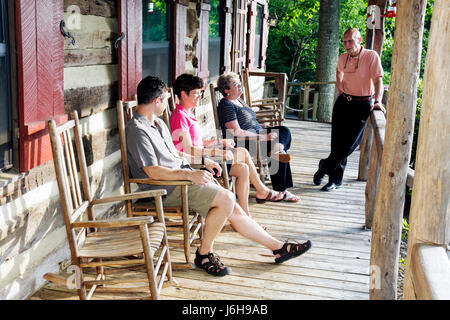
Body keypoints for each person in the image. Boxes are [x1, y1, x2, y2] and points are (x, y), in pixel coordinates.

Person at [126, 75, 311, 277]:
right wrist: (190, 175)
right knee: (226, 198)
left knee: (232, 205)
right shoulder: (138, 130)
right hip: (166, 187)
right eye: (164, 100)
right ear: (156, 101)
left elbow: (176, 154)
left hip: (183, 178)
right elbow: (152, 171)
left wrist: (203, 163)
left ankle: (278, 247)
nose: (166, 104)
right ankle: (204, 254)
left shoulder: (158, 124)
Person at [170, 73, 285, 217]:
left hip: (204, 157)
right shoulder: (179, 116)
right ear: (183, 94)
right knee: (242, 152)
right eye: (196, 93)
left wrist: (220, 142)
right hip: (195, 164)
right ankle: (262, 190)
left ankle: (245, 214)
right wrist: (218, 152)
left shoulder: (188, 113)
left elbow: (198, 143)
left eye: (200, 93)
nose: (199, 96)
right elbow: (189, 150)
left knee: (243, 169)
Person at [313, 28, 385, 191]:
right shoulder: (343, 57)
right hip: (343, 103)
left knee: (350, 145)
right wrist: (341, 89)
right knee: (337, 145)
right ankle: (334, 180)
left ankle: (324, 166)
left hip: (362, 104)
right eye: (344, 41)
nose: (346, 45)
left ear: (359, 40)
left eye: (350, 41)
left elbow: (379, 80)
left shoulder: (371, 56)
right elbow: (339, 73)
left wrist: (378, 101)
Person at [216, 73, 300, 202]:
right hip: (245, 142)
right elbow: (236, 131)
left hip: (257, 134)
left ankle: (277, 152)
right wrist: (261, 136)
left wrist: (262, 126)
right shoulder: (226, 105)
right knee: (273, 143)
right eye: (235, 84)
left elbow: (249, 122)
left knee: (283, 130)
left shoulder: (239, 101)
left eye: (239, 83)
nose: (240, 86)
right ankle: (281, 189)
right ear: (226, 90)